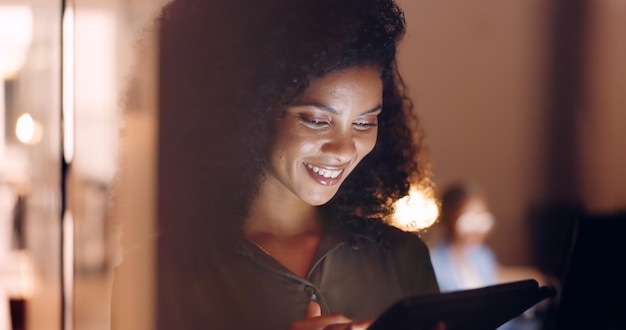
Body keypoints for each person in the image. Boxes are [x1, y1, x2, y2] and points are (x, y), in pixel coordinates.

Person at [112, 0, 440, 329]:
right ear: (246, 113)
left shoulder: (402, 259)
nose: (343, 149)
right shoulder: (158, 276)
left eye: (365, 122)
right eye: (316, 120)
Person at [428, 182, 543, 330]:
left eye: (482, 219)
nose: (477, 228)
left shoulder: (481, 256)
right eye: (469, 220)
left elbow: (496, 277)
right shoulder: (435, 263)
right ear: (449, 218)